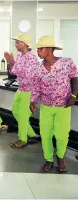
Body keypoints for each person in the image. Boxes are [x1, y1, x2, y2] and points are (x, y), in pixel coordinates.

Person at [30, 35, 78, 173]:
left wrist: (74, 95)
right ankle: (49, 159)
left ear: (50, 49)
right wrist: (33, 100)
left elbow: (75, 79)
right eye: (38, 49)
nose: (38, 51)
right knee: (45, 135)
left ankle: (61, 157)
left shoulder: (66, 62)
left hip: (63, 106)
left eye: (41, 49)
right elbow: (36, 86)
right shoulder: (38, 68)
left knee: (62, 135)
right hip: (45, 106)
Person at [4, 33, 39, 148]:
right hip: (20, 89)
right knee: (15, 111)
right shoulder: (19, 55)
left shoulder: (32, 58)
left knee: (23, 116)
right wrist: (10, 63)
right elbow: (14, 72)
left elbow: (27, 75)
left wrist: (12, 62)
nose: (15, 43)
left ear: (24, 44)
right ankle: (32, 134)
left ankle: (23, 139)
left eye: (17, 42)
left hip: (29, 91)